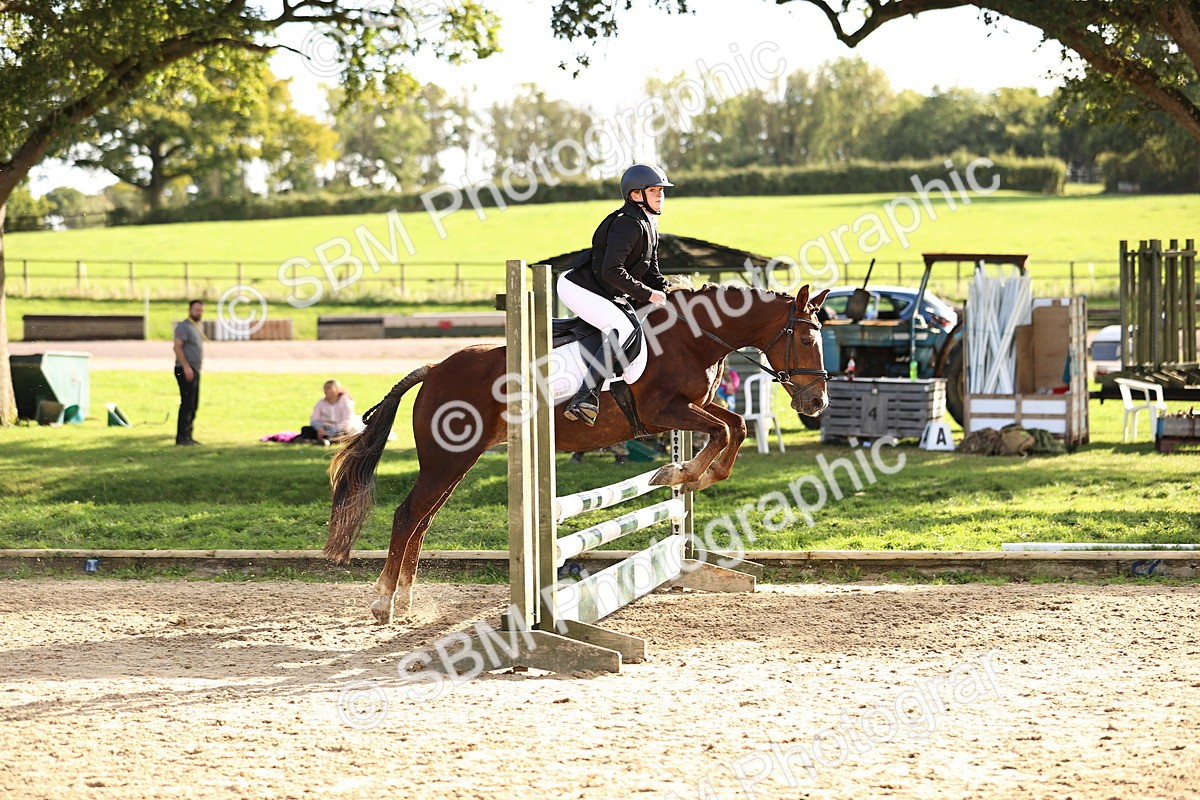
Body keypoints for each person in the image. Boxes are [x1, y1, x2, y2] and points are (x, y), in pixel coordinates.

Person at [558, 163, 673, 425]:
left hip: (601, 289)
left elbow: (651, 273)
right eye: (653, 191)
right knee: (622, 328)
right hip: (578, 286)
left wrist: (673, 291)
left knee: (631, 324)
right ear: (635, 195)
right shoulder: (628, 224)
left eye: (661, 191)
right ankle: (585, 397)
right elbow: (612, 270)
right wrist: (649, 295)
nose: (660, 196)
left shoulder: (649, 224)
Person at [173, 299, 205, 445]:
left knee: (193, 404)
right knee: (187, 403)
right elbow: (177, 347)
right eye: (197, 310)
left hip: (194, 369)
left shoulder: (196, 326)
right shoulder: (184, 327)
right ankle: (182, 437)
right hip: (185, 369)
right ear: (190, 310)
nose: (199, 313)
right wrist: (186, 367)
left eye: (201, 310)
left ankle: (188, 435)